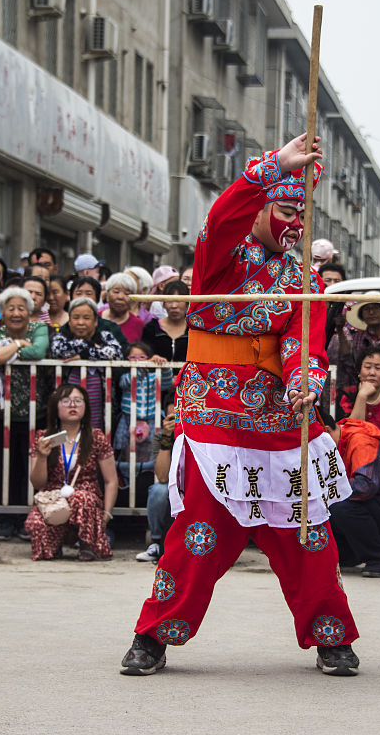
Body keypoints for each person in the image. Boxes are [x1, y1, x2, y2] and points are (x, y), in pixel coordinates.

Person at [121, 133, 360, 679]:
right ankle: (152, 635)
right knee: (199, 536)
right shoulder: (221, 258)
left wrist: (306, 382)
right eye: (283, 208)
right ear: (257, 209)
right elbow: (222, 215)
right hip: (214, 423)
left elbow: (306, 343)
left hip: (281, 424)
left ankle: (332, 637)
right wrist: (272, 167)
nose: (295, 223)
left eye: (302, 213)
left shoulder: (307, 280)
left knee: (309, 534)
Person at [0, 286, 51, 537]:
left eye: (21, 308)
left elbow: (38, 351)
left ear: (29, 310)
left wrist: (7, 351)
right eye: (10, 308)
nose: (16, 313)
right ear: (2, 311)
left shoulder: (39, 329)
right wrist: (20, 344)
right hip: (1, 414)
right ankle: (2, 520)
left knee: (28, 467)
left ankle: (26, 518)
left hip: (34, 413)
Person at [23, 384, 118, 560]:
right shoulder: (44, 438)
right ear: (55, 407)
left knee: (81, 497)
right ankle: (54, 546)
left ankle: (87, 544)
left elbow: (111, 480)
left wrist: (106, 515)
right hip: (54, 500)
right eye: (66, 401)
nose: (72, 405)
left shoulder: (95, 436)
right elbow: (37, 483)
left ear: (86, 406)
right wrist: (42, 457)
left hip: (85, 501)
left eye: (78, 401)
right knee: (35, 523)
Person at [328, 417, 380, 578]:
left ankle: (378, 558)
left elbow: (365, 486)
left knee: (339, 506)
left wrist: (325, 489)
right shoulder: (338, 441)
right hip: (369, 510)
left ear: (327, 431)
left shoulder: (360, 441)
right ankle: (348, 555)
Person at [50, 296, 124, 429]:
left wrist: (84, 354)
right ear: (70, 320)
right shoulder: (62, 336)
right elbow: (58, 350)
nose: (80, 322)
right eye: (76, 317)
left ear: (95, 321)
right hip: (67, 404)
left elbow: (116, 353)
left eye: (86, 318)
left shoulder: (104, 336)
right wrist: (90, 346)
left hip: (100, 406)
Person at [337, 348, 380, 456]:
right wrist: (362, 396)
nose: (372, 373)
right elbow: (348, 433)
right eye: (367, 367)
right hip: (351, 456)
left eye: (378, 368)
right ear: (359, 372)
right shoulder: (345, 395)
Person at [329, 295, 380, 390]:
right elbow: (349, 362)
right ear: (361, 315)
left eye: (376, 308)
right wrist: (340, 330)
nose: (371, 312)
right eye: (367, 309)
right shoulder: (357, 338)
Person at [137, 397, 179, 562]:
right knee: (159, 490)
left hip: (195, 484)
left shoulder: (201, 433)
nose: (176, 420)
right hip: (173, 483)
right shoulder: (161, 436)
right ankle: (156, 542)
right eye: (172, 417)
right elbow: (162, 476)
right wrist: (167, 438)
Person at [141, 280, 189, 362]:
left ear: (187, 303)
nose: (174, 306)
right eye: (169, 301)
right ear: (163, 303)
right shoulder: (152, 329)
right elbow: (143, 356)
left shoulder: (194, 330)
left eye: (179, 301)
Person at [101, 272, 145, 342]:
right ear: (107, 296)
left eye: (126, 293)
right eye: (116, 292)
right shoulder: (95, 319)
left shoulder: (139, 325)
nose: (120, 297)